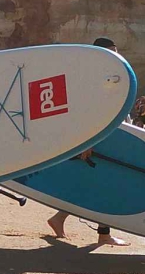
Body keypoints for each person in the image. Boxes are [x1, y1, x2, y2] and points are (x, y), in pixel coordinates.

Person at [47, 37, 127, 247]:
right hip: (94, 139)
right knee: (103, 186)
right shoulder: (93, 78)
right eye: (112, 51)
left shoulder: (103, 76)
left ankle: (60, 218)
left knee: (91, 184)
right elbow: (86, 111)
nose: (117, 56)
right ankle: (103, 234)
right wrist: (88, 142)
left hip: (101, 138)